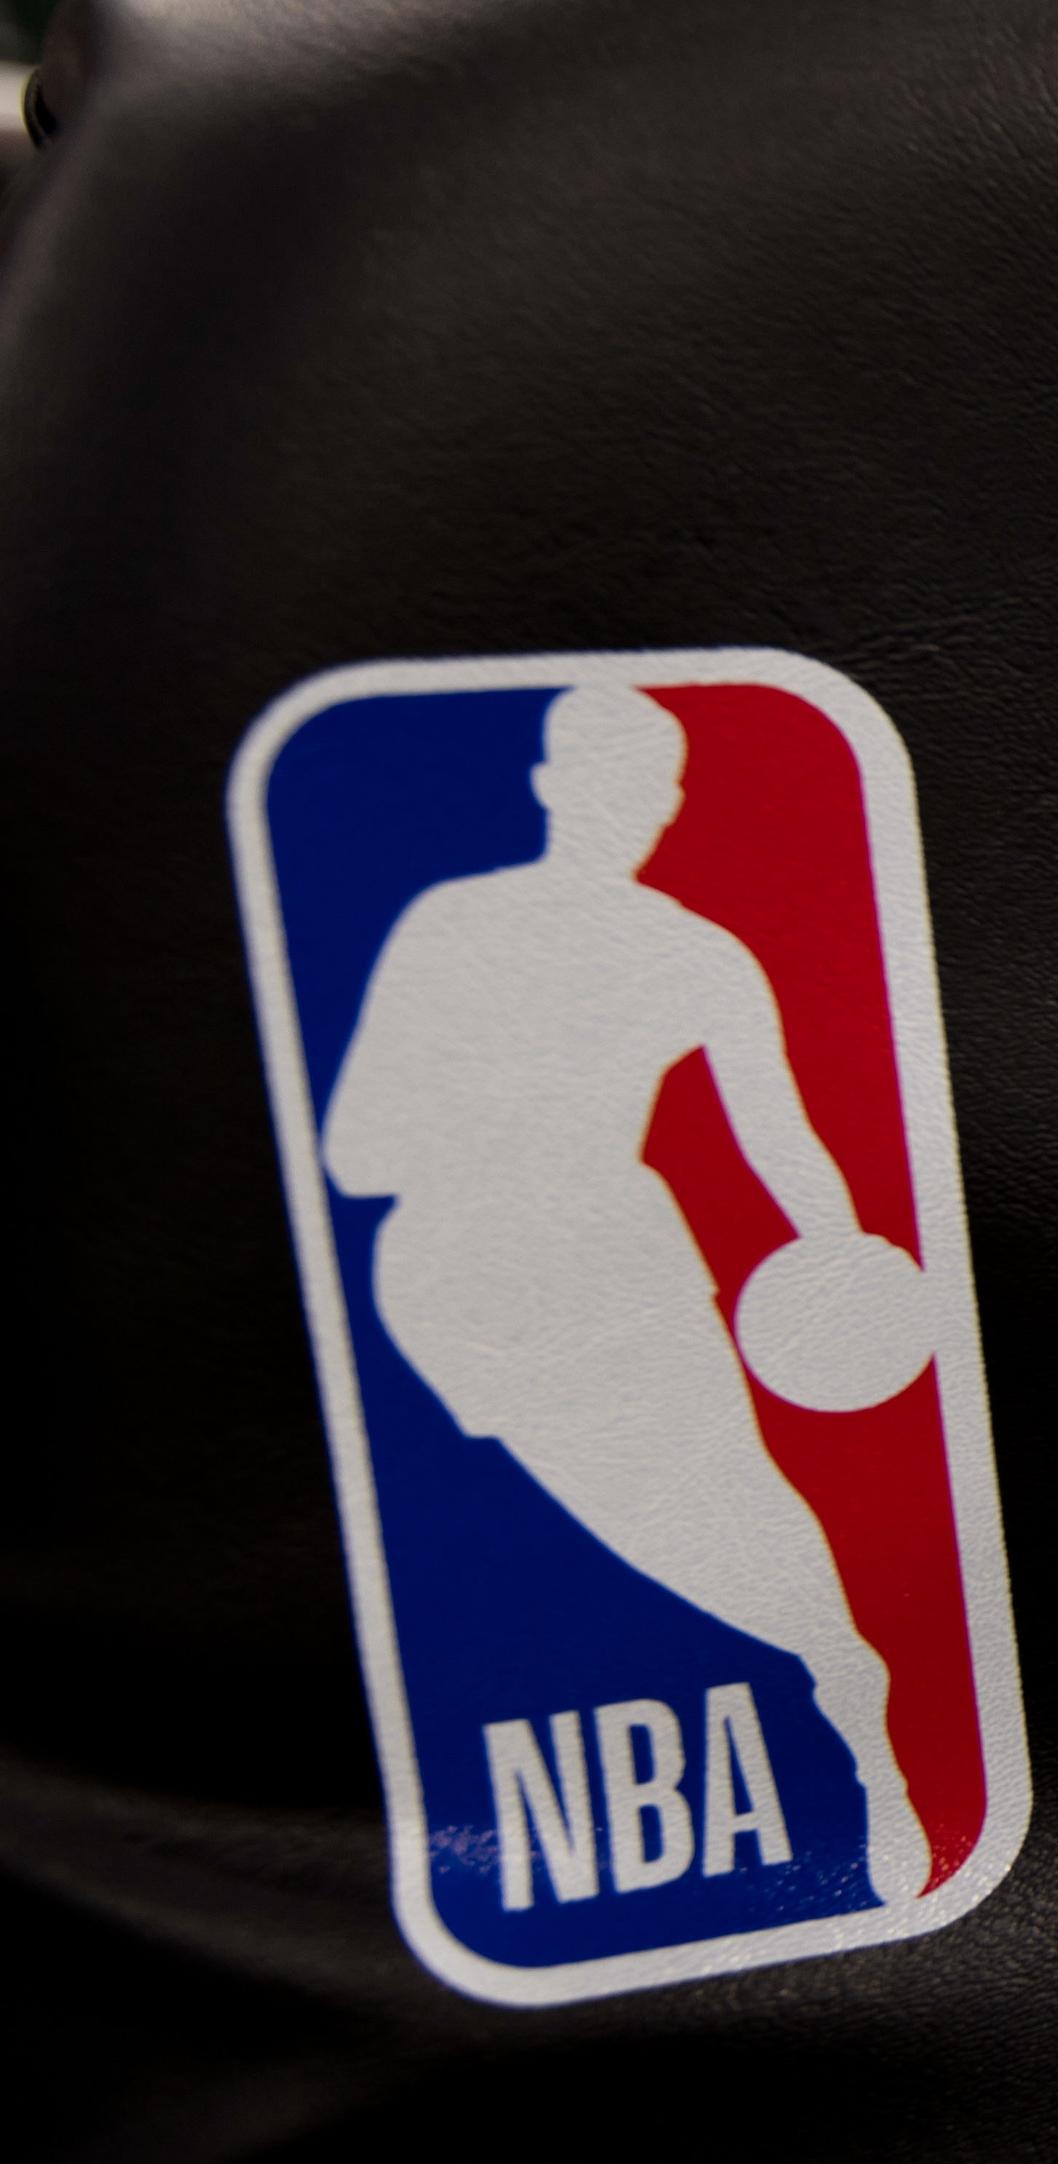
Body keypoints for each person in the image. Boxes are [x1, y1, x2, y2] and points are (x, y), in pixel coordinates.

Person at [323, 684, 929, 1907]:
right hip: (463, 1290)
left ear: (668, 806)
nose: (633, 813)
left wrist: (844, 1256)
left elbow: (783, 1140)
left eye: (651, 791)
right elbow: (355, 1155)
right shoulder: (454, 927)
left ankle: (864, 1725)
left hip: (622, 1265)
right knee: (613, 1530)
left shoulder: (697, 953)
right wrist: (506, 1103)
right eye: (607, 785)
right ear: (549, 787)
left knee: (739, 1500)